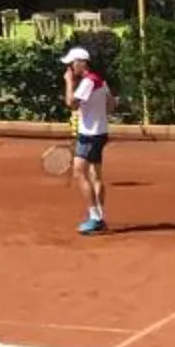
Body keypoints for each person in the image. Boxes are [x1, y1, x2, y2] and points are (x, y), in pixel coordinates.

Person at [63, 43, 108, 235]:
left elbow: (71, 103)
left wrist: (68, 82)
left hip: (89, 135)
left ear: (81, 63)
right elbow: (112, 105)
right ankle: (100, 217)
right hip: (100, 133)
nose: (69, 68)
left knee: (79, 173)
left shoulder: (88, 82)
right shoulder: (100, 80)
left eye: (71, 64)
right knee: (95, 175)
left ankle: (95, 218)